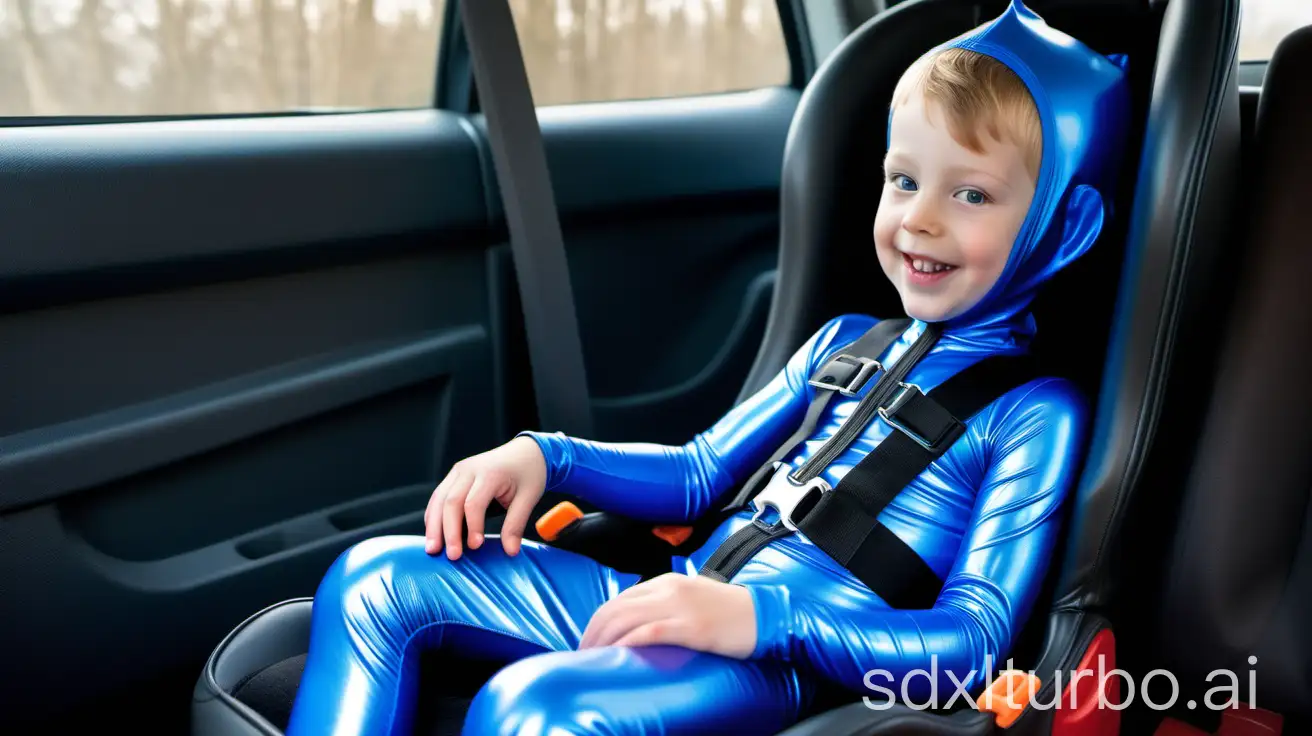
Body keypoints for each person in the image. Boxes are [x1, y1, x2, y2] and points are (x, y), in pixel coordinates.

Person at [284, 2, 1131, 734]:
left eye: (971, 195)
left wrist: (764, 619)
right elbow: (696, 475)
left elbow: (973, 643)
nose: (920, 221)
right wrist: (547, 456)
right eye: (903, 180)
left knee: (532, 713)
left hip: (790, 662)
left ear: (1062, 228)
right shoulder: (844, 342)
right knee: (375, 582)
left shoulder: (1033, 414)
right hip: (687, 592)